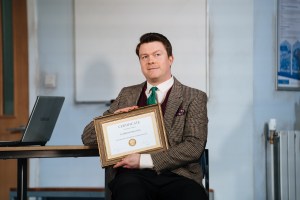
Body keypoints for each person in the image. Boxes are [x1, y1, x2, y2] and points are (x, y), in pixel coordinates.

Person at [81, 32, 208, 200]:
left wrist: (143, 160)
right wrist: (113, 119)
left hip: (179, 175)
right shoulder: (127, 95)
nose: (150, 61)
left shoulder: (194, 97)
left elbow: (193, 147)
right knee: (129, 193)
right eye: (144, 56)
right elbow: (88, 137)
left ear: (170, 59)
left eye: (157, 54)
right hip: (132, 177)